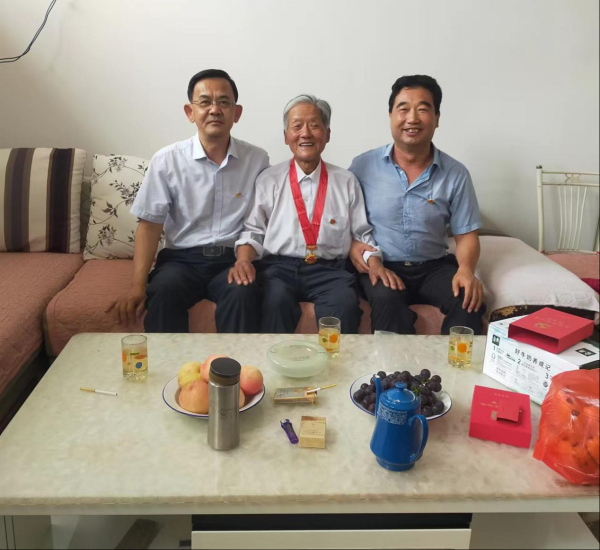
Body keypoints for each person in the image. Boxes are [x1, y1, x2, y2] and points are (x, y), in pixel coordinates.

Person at [107, 69, 269, 333]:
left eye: (224, 102)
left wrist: (245, 260)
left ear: (236, 113)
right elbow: (149, 226)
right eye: (205, 102)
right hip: (181, 262)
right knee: (163, 291)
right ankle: (168, 362)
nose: (214, 110)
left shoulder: (257, 160)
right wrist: (137, 286)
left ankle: (235, 361)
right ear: (190, 112)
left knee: (244, 292)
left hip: (232, 259)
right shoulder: (167, 160)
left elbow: (258, 222)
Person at [231, 94, 401, 333]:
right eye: (297, 126)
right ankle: (276, 359)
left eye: (314, 125)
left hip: (330, 271)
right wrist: (243, 260)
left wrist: (374, 263)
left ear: (327, 134)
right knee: (274, 301)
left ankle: (337, 359)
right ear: (286, 136)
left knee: (344, 305)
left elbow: (362, 235)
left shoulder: (346, 181)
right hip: (279, 269)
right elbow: (253, 230)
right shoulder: (269, 180)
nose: (305, 133)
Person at [348, 75, 486, 335]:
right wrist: (354, 246)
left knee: (468, 299)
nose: (412, 118)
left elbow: (466, 235)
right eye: (403, 109)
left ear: (437, 118)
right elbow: (343, 220)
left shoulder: (455, 173)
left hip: (433, 266)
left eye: (423, 109)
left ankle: (454, 362)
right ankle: (394, 363)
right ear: (391, 116)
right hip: (381, 264)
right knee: (387, 299)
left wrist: (466, 270)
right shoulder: (362, 166)